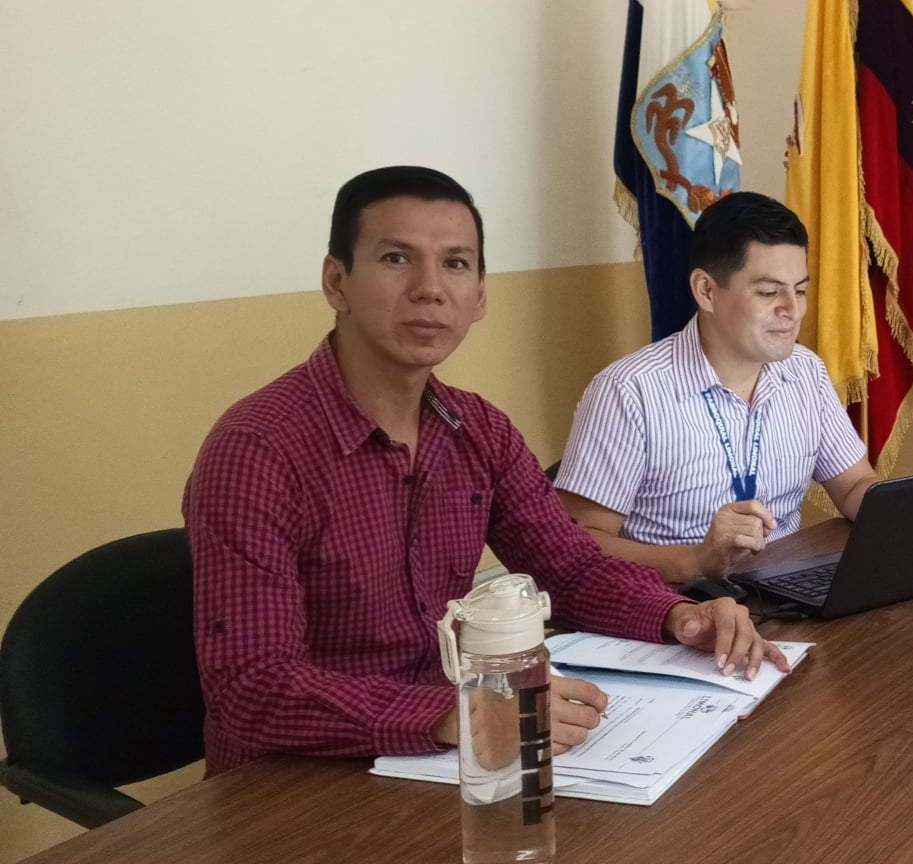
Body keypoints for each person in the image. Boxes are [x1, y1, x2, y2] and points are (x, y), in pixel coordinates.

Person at [183, 166, 786, 777]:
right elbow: (251, 686)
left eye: (455, 264)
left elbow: (572, 569)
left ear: (479, 296)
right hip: (293, 784)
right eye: (396, 258)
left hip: (446, 759)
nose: (429, 289)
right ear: (337, 282)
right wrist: (455, 715)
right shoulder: (256, 451)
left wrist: (678, 615)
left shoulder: (478, 431)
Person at [554, 192, 876, 582]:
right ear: (706, 291)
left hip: (784, 592)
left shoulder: (806, 371)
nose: (793, 310)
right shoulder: (628, 391)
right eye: (768, 292)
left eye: (800, 290)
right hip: (674, 601)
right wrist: (695, 561)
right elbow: (577, 543)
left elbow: (855, 485)